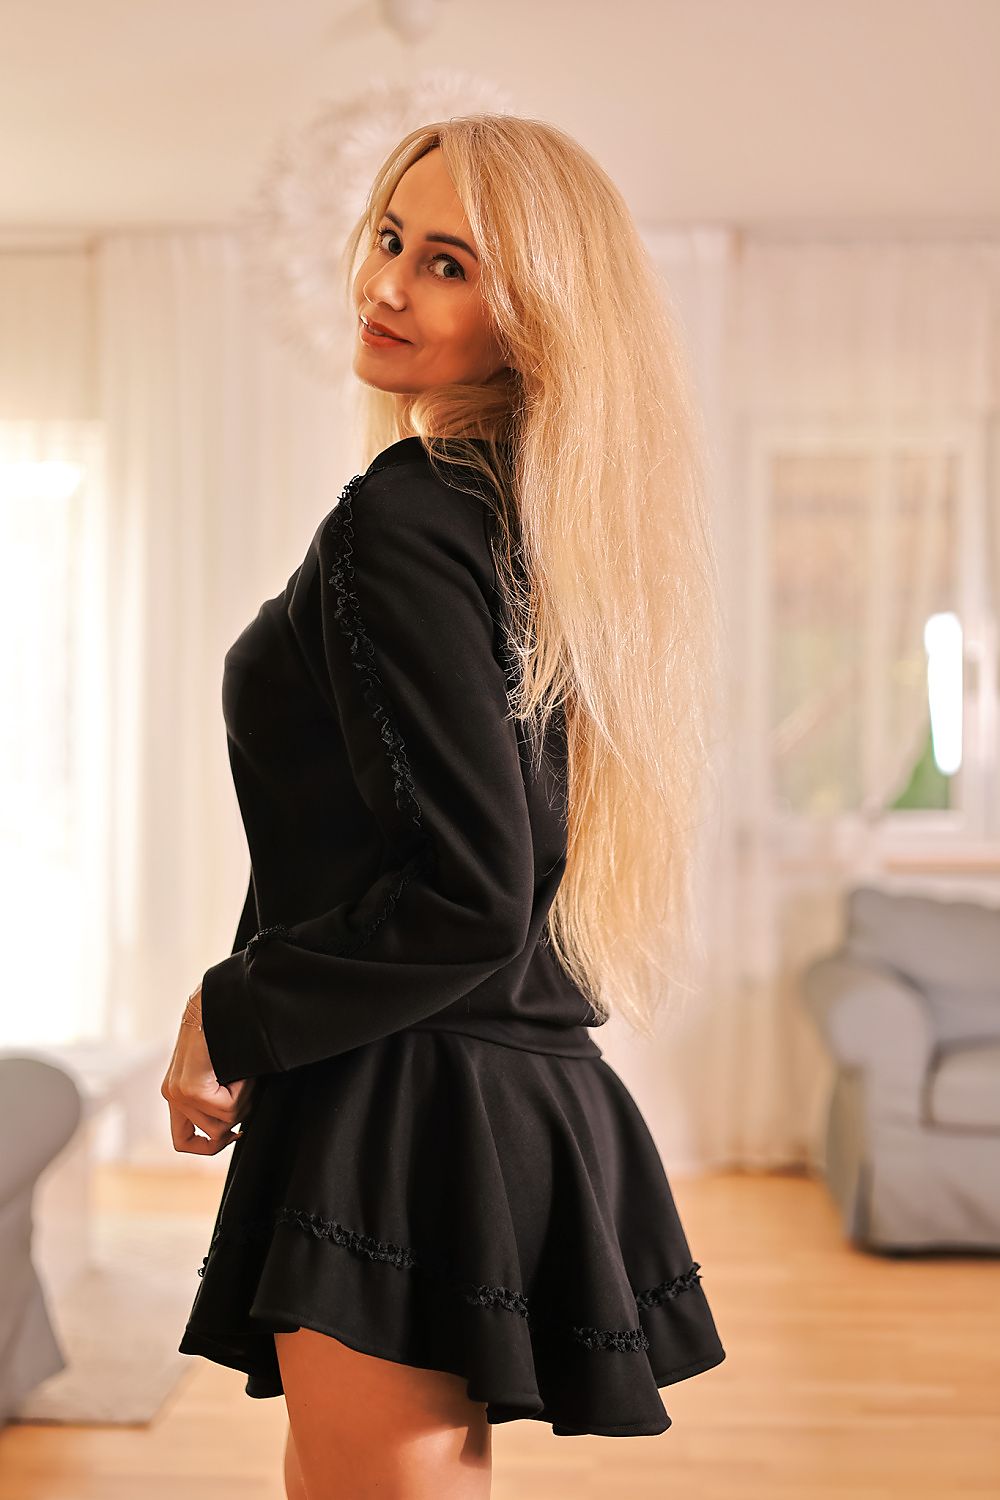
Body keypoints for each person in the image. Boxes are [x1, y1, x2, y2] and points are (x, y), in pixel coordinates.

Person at [163, 114, 726, 1499]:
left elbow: (472, 891)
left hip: (406, 1098)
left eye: (450, 264)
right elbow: (386, 840)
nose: (387, 284)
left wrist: (229, 1010)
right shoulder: (531, 520)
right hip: (476, 1083)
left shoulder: (408, 515)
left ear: (536, 313)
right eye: (390, 239)